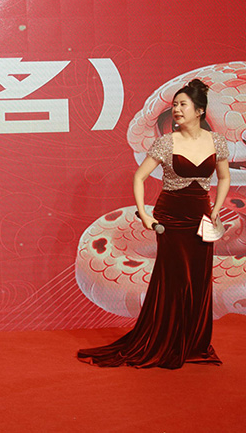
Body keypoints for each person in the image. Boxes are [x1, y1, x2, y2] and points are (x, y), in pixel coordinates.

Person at [78, 78, 230, 368]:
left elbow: (224, 177)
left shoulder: (217, 142)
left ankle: (193, 343)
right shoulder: (166, 142)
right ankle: (166, 340)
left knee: (199, 279)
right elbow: (139, 177)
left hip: (200, 217)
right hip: (171, 218)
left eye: (183, 104)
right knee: (175, 278)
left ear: (200, 111)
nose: (176, 110)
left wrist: (216, 209)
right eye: (174, 105)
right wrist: (144, 214)